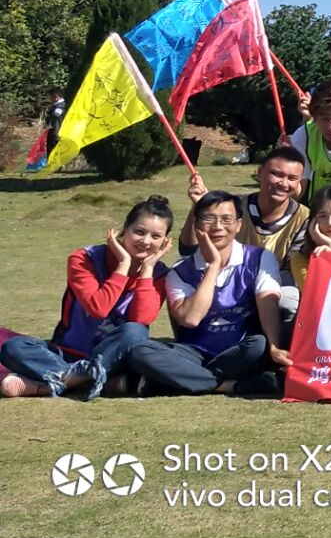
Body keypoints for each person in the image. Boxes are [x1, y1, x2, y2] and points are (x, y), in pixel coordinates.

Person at [1, 197, 173, 400]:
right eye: (139, 232)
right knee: (14, 347)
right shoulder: (84, 259)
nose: (145, 241)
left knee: (136, 331)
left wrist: (147, 271)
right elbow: (98, 308)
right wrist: (123, 265)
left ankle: (50, 386)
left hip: (113, 358)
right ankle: (94, 381)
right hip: (65, 353)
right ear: (124, 229)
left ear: (165, 242)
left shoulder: (159, 275)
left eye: (156, 236)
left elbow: (141, 319)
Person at [126, 191, 290, 397]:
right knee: (141, 352)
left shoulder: (259, 259)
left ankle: (177, 380)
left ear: (239, 225)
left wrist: (275, 346)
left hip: (238, 350)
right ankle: (227, 385)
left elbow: (268, 304)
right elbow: (190, 319)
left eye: (226, 219)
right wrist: (213, 265)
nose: (218, 227)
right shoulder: (180, 271)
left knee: (259, 345)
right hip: (192, 353)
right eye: (209, 219)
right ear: (196, 224)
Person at [184, 146, 309, 265]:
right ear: (260, 172)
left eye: (292, 178)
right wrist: (198, 206)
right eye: (277, 174)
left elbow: (292, 267)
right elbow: (189, 250)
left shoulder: (304, 218)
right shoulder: (232, 207)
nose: (284, 183)